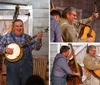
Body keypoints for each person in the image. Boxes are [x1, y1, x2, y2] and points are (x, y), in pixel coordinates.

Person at [0, 19, 42, 85]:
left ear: (23, 27)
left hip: (26, 69)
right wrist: (5, 49)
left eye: (21, 26)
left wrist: (39, 40)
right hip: (12, 69)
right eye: (17, 26)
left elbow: (37, 48)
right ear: (13, 28)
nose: (19, 28)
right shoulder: (6, 37)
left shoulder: (27, 38)